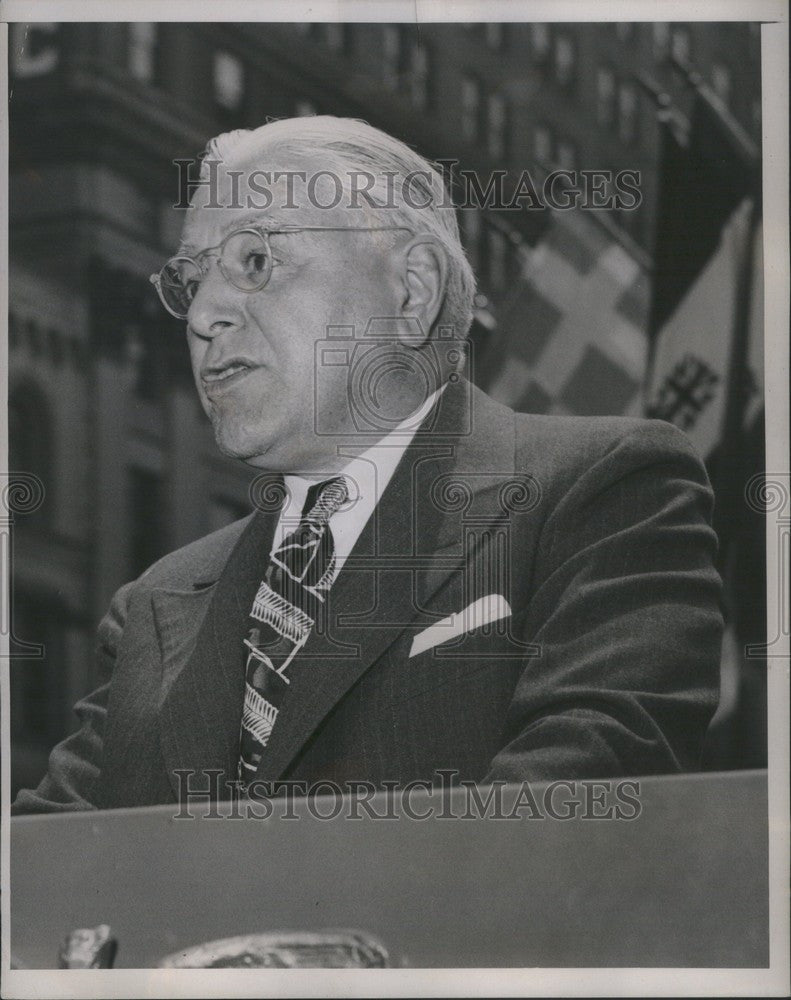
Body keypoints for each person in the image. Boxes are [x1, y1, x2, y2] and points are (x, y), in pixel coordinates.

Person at [12, 116, 723, 814]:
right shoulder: (152, 605)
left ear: (410, 292)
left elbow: (558, 822)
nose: (202, 315)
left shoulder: (607, 490)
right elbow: (47, 875)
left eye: (255, 261)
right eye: (189, 280)